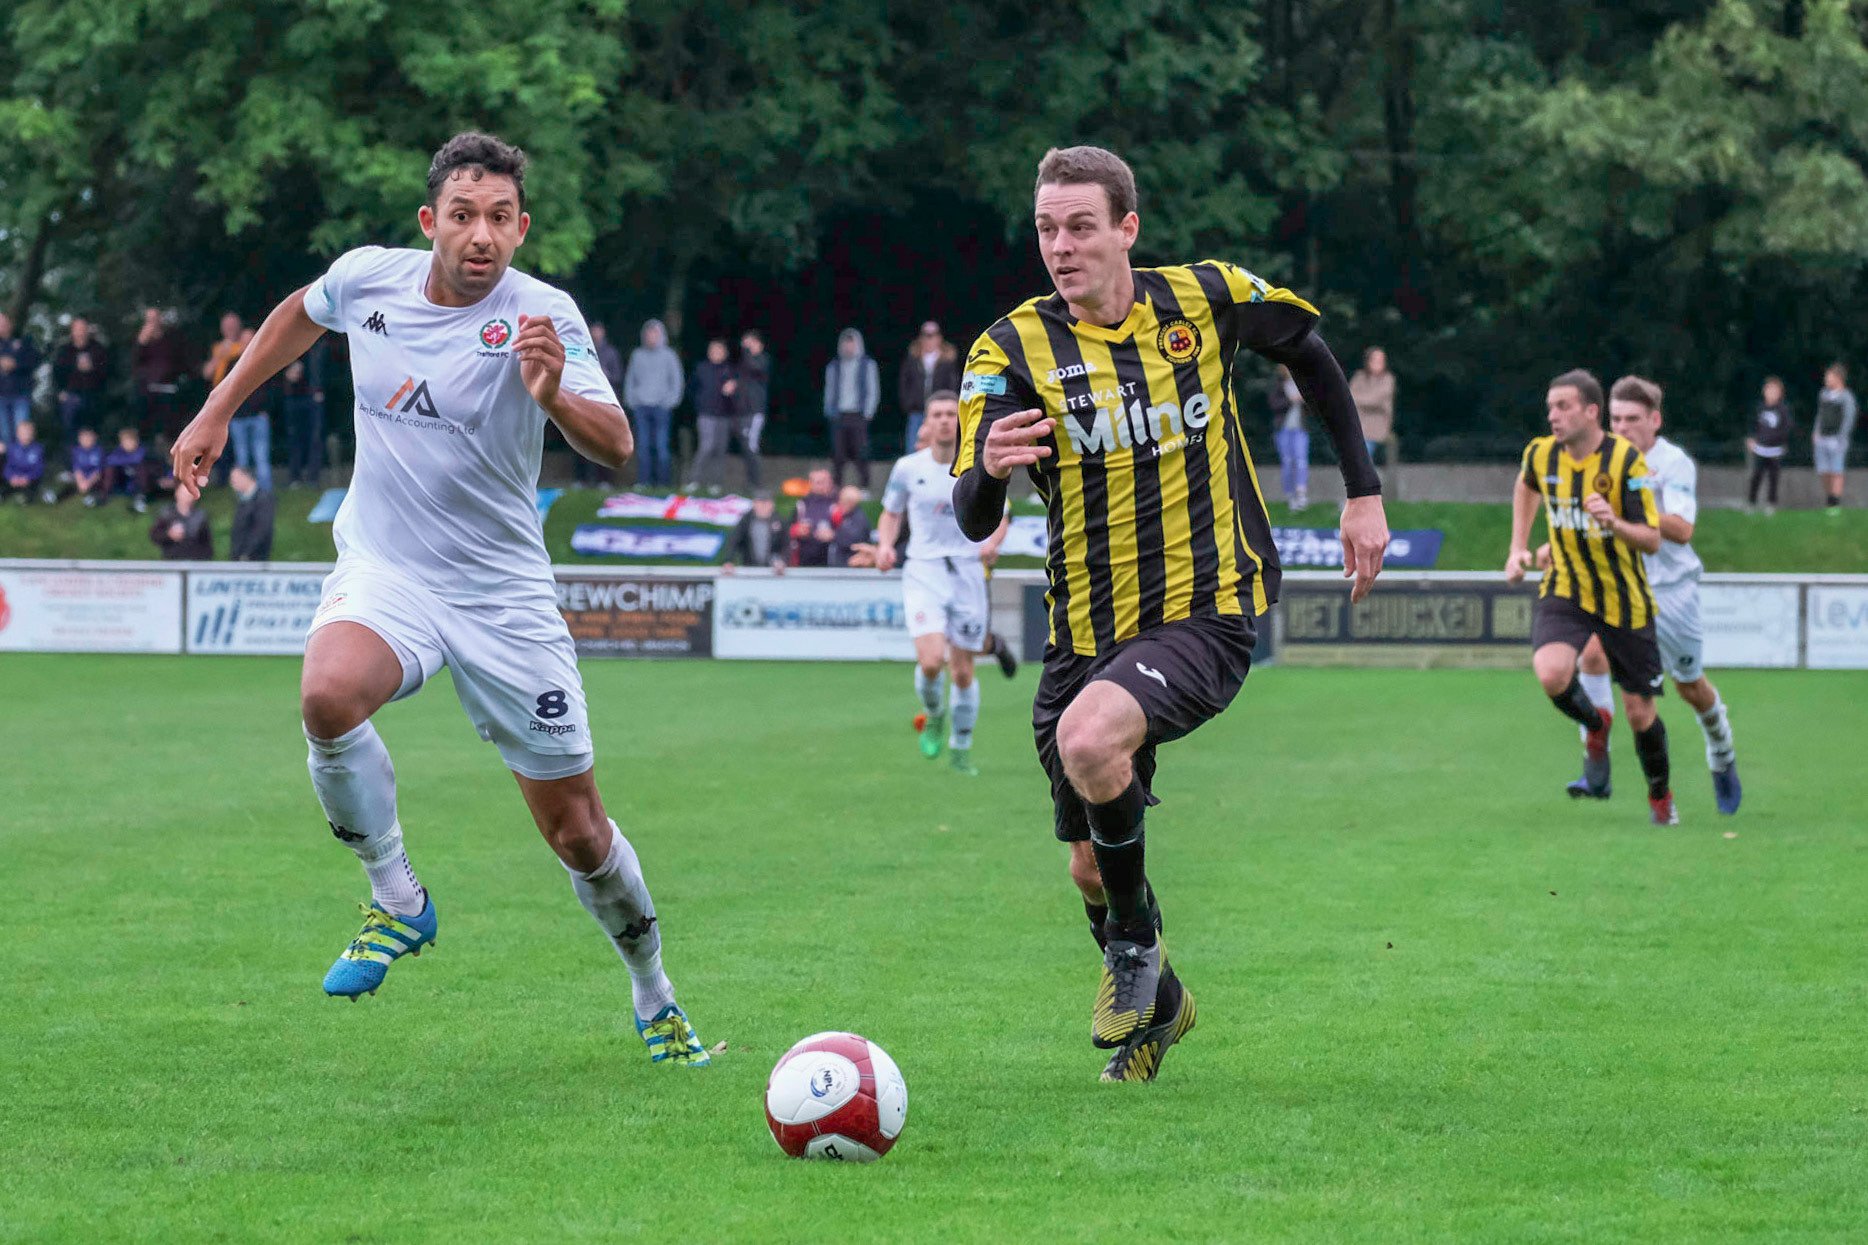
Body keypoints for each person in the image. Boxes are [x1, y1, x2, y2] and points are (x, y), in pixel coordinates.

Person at [166, 131, 709, 1065]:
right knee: (326, 694)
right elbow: (301, 311)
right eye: (463, 215)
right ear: (431, 222)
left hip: (501, 595)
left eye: (500, 218)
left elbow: (617, 444)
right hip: (389, 567)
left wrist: (552, 394)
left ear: (522, 228)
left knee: (577, 831)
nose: (481, 235)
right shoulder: (370, 280)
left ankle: (653, 990)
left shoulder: (544, 315)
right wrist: (219, 407)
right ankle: (397, 897)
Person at [951, 145, 1389, 1083]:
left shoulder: (1205, 296)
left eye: (1079, 227)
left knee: (1090, 738)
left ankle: (1134, 949)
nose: (1060, 248)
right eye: (1045, 229)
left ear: (1126, 229)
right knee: (1085, 866)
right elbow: (970, 511)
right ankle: (1165, 1002)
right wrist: (986, 468)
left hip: (1207, 605)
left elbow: (1308, 351)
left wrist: (1363, 491)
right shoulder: (1006, 351)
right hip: (1084, 631)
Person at [1545, 377, 1739, 814]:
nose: (1623, 427)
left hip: (1670, 592)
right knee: (1590, 655)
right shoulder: (1598, 457)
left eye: (1632, 419)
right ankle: (1596, 763)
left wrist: (1629, 514)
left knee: (1690, 687)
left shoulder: (1673, 463)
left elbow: (1683, 530)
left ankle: (1721, 751)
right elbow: (1577, 518)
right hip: (1617, 585)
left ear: (1655, 420)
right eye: (1615, 418)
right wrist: (1545, 550)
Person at [1505, 369, 1675, 825]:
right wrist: (1518, 548)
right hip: (1566, 588)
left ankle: (1660, 795)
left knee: (1641, 713)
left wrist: (1614, 523)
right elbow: (1526, 486)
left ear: (1591, 411)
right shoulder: (1540, 454)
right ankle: (1597, 726)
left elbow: (1652, 539)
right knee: (1551, 674)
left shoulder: (1627, 462)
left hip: (1625, 600)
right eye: (1550, 408)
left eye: (1563, 407)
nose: (1552, 416)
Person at [876, 390, 1017, 776]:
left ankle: (961, 748)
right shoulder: (907, 467)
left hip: (968, 570)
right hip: (924, 569)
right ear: (926, 421)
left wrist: (992, 542)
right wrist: (885, 546)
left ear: (959, 420)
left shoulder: (977, 464)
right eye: (935, 414)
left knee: (963, 672)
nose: (942, 420)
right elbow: (890, 514)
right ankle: (936, 715)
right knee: (931, 661)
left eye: (948, 414)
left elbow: (1002, 514)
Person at [623, 318, 681, 489]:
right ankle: (644, 482)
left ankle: (663, 483)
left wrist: (670, 401)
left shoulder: (669, 355)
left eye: (655, 333)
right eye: (649, 333)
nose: (651, 336)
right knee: (643, 446)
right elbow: (630, 379)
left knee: (661, 446)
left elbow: (676, 381)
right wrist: (632, 400)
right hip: (641, 407)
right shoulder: (637, 355)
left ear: (661, 335)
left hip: (662, 407)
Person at [823, 328, 878, 490]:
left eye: (852, 342)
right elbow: (829, 389)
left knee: (861, 452)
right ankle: (837, 487)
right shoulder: (834, 366)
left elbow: (873, 389)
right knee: (838, 453)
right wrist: (829, 411)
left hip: (858, 414)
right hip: (839, 414)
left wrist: (868, 412)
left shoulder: (867, 364)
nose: (849, 346)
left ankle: (864, 487)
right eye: (846, 343)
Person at [897, 320, 960, 456]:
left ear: (939, 337)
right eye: (926, 335)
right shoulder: (912, 360)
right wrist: (909, 403)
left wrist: (949, 405)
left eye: (933, 335)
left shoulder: (947, 360)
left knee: (941, 448)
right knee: (913, 449)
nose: (929, 339)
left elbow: (953, 385)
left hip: (939, 411)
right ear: (921, 338)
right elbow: (904, 384)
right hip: (917, 411)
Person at [685, 338, 739, 493]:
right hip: (706, 414)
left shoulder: (730, 370)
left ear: (725, 353)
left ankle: (715, 483)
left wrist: (732, 390)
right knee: (706, 447)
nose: (715, 353)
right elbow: (692, 389)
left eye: (719, 350)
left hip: (724, 415)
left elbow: (737, 397)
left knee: (720, 449)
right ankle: (693, 480)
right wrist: (699, 405)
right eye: (712, 350)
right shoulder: (701, 368)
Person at [577, 322, 624, 490]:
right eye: (593, 331)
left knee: (604, 441)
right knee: (582, 440)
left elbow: (618, 377)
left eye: (598, 330)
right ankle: (583, 480)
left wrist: (606, 374)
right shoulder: (582, 350)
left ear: (603, 332)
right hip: (584, 402)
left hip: (604, 403)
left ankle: (605, 480)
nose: (595, 333)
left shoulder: (611, 353)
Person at [226, 332, 275, 490]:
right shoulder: (232, 364)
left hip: (258, 417)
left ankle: (265, 494)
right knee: (242, 458)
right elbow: (226, 389)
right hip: (238, 418)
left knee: (262, 458)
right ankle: (245, 494)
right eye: (245, 340)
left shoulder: (263, 362)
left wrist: (265, 410)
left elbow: (271, 389)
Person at [131, 308, 188, 442]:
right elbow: (134, 365)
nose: (152, 324)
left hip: (169, 388)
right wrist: (141, 343)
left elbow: (178, 363)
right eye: (149, 321)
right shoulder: (141, 342)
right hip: (148, 390)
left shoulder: (171, 340)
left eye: (155, 320)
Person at [52, 318, 109, 446]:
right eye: (77, 329)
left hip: (93, 396)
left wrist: (92, 368)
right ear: (72, 331)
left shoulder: (98, 348)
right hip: (71, 396)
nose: (80, 332)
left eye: (83, 329)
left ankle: (93, 462)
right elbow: (56, 373)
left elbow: (107, 373)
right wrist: (60, 392)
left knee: (92, 432)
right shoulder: (64, 350)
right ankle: (71, 462)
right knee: (70, 431)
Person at [280, 347, 327, 487]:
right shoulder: (291, 343)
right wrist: (287, 374)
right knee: (295, 438)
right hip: (294, 398)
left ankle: (313, 478)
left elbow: (323, 369)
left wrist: (319, 389)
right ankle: (295, 477)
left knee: (315, 438)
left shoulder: (318, 346)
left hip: (313, 397)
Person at [1746, 376, 1792, 514]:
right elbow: (1752, 424)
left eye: (1775, 390)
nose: (1771, 393)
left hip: (1775, 451)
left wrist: (1783, 443)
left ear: (1780, 393)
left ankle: (1771, 504)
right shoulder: (1759, 408)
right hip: (1760, 449)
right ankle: (1751, 503)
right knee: (1756, 477)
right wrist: (1751, 439)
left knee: (1773, 479)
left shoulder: (1783, 410)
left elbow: (1787, 428)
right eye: (1769, 390)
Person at [1813, 363, 1855, 509]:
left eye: (1829, 376)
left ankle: (1835, 502)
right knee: (1824, 471)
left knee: (1837, 471)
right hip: (1822, 439)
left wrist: (1841, 438)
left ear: (1838, 378)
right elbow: (1820, 415)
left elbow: (1848, 419)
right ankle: (1829, 496)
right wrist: (1816, 432)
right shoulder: (1823, 394)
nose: (1826, 379)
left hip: (1837, 440)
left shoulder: (1846, 397)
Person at [1268, 363, 1308, 511]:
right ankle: (1290, 495)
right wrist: (1291, 400)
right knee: (1287, 462)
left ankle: (1301, 492)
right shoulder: (1278, 385)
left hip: (1300, 429)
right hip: (1283, 429)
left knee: (1301, 460)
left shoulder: (1303, 383)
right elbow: (1273, 405)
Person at [719, 490, 790, 572]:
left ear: (772, 505)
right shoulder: (746, 521)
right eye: (759, 503)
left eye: (766, 503)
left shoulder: (779, 521)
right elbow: (734, 541)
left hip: (773, 568)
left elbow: (786, 544)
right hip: (750, 567)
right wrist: (728, 560)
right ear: (754, 505)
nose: (763, 506)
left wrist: (783, 561)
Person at [1349, 345, 1396, 467]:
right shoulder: (1359, 377)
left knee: (1363, 455)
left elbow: (1376, 400)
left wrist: (1359, 400)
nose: (1378, 363)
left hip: (1376, 428)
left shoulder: (1388, 379)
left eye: (1381, 360)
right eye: (1375, 360)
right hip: (1358, 425)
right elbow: (1348, 397)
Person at [0, 312, 42, 444]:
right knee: (5, 434)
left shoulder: (24, 341)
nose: (2, 326)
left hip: (20, 394)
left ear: (10, 324)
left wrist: (16, 364)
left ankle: (24, 463)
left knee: (23, 434)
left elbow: (36, 360)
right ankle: (9, 464)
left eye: (4, 323)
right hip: (1, 395)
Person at [734, 329, 771, 474]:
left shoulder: (763, 359)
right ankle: (750, 482)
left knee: (752, 446)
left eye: (751, 343)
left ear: (760, 344)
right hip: (743, 411)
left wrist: (747, 351)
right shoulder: (743, 364)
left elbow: (755, 368)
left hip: (755, 411)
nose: (747, 347)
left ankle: (757, 484)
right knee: (745, 447)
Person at [790, 466, 838, 566]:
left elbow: (851, 533)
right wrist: (797, 530)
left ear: (830, 482)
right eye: (817, 482)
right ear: (810, 484)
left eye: (824, 481)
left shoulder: (839, 503)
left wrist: (833, 535)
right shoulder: (802, 504)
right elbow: (788, 529)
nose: (821, 485)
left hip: (831, 559)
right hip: (805, 559)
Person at [104, 426, 160, 511]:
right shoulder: (118, 451)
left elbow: (137, 459)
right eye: (125, 441)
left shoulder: (142, 450)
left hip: (143, 483)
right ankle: (106, 494)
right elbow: (110, 460)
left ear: (136, 441)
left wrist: (122, 460)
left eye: (130, 441)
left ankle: (141, 497)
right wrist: (125, 460)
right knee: (110, 469)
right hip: (126, 482)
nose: (128, 444)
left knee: (142, 468)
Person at [229, 465, 276, 561]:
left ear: (246, 477)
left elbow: (262, 529)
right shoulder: (244, 500)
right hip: (241, 556)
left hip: (254, 558)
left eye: (234, 479)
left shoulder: (263, 499)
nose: (232, 483)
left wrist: (247, 553)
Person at [150, 489, 213, 559]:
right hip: (172, 559)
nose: (187, 497)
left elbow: (207, 543)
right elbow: (155, 535)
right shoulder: (167, 514)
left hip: (195, 560)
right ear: (177, 494)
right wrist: (169, 535)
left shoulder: (200, 516)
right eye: (184, 493)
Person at [2, 419, 48, 504]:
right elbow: (8, 466)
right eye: (23, 433)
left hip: (29, 479)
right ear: (17, 434)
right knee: (4, 484)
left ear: (33, 434)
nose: (26, 436)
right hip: (14, 478)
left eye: (29, 433)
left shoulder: (38, 449)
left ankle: (26, 498)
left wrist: (27, 478)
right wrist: (11, 477)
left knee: (33, 487)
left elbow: (39, 468)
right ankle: (4, 495)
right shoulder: (12, 448)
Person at [65, 426, 106, 505]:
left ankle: (94, 498)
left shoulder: (99, 451)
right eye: (83, 438)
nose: (85, 441)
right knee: (66, 479)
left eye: (88, 438)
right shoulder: (76, 451)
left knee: (99, 486)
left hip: (94, 478)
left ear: (94, 438)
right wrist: (81, 482)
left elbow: (98, 470)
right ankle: (57, 497)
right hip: (81, 477)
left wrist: (88, 483)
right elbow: (77, 468)